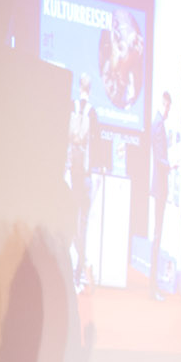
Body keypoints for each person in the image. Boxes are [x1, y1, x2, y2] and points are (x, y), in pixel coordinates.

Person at [67, 71, 97, 291]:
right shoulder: (93, 113)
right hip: (85, 174)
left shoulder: (72, 106)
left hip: (71, 173)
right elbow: (95, 147)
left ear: (79, 86)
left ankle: (68, 270)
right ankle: (79, 274)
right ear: (91, 88)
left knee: (70, 219)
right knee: (83, 222)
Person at [149, 90, 170, 299]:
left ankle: (153, 285)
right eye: (169, 107)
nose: (169, 112)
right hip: (159, 186)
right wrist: (171, 164)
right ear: (164, 104)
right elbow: (159, 158)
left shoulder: (158, 123)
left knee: (158, 234)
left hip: (160, 186)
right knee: (156, 235)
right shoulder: (158, 124)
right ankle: (152, 287)